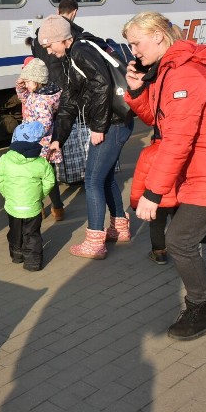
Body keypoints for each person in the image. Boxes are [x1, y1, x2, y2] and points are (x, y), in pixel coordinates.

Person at [122, 11, 206, 341]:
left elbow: (178, 138)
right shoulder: (168, 71)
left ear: (158, 36)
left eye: (136, 43)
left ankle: (201, 310)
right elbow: (159, 121)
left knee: (179, 240)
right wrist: (137, 90)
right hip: (196, 167)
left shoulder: (184, 75)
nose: (133, 51)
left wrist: (153, 192)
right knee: (193, 229)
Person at [44, 15, 134, 259]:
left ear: (63, 40)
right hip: (117, 122)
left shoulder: (80, 51)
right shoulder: (77, 52)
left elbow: (102, 85)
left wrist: (98, 127)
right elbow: (69, 102)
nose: (49, 52)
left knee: (93, 180)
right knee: (104, 178)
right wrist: (57, 139)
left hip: (112, 124)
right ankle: (120, 228)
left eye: (49, 45)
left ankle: (95, 241)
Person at [0, 121, 55, 271]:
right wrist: (39, 196)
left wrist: (7, 194)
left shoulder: (5, 159)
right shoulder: (41, 163)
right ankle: (32, 263)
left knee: (15, 232)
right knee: (32, 234)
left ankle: (16, 255)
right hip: (32, 207)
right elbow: (50, 181)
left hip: (12, 206)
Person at [15, 57, 64, 220]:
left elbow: (44, 124)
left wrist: (27, 135)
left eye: (28, 82)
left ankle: (55, 207)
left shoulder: (42, 100)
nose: (26, 85)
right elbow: (22, 94)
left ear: (37, 81)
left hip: (41, 145)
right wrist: (22, 81)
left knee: (43, 179)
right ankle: (53, 207)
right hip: (35, 143)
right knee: (45, 178)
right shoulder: (34, 93)